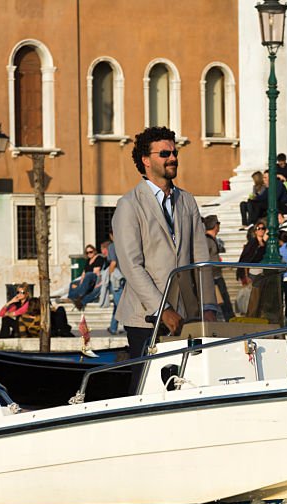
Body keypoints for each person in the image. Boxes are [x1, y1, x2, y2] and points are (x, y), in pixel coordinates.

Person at [112, 126, 218, 385]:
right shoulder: (129, 205)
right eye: (164, 153)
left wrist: (208, 306)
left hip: (187, 316)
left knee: (188, 383)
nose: (172, 158)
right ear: (146, 161)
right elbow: (132, 267)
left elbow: (201, 260)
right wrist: (164, 309)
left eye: (174, 152)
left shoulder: (187, 201)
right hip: (145, 318)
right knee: (146, 386)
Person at [203, 214, 234, 321]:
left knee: (224, 304)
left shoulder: (210, 240)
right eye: (218, 223)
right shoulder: (207, 240)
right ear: (215, 225)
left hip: (215, 275)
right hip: (213, 277)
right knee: (223, 305)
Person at [68, 244, 106, 309]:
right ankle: (71, 298)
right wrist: (81, 281)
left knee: (89, 274)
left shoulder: (99, 258)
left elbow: (96, 271)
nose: (89, 254)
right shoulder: (88, 260)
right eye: (87, 252)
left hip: (95, 278)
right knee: (73, 283)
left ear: (94, 251)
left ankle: (80, 295)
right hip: (87, 279)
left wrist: (84, 279)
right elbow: (83, 273)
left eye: (90, 252)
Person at [105, 233, 125, 335]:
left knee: (119, 304)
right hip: (126, 277)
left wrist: (109, 277)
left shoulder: (112, 246)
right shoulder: (125, 244)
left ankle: (126, 326)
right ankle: (113, 327)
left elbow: (113, 262)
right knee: (119, 304)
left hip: (117, 278)